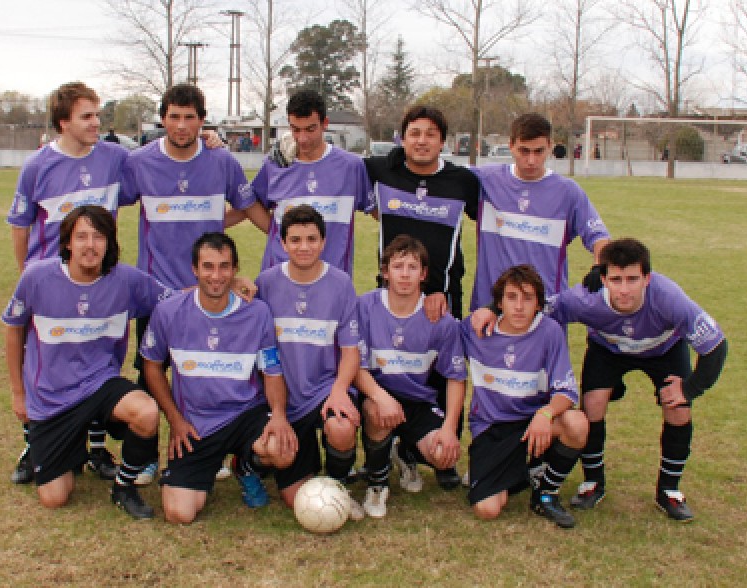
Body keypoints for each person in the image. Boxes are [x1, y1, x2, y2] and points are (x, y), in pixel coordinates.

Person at [121, 83, 268, 485]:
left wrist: (286, 241)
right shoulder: (139, 163)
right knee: (150, 372)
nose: (182, 125)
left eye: (190, 117)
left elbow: (247, 207)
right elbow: (109, 200)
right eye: (174, 117)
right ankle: (145, 456)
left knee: (209, 375)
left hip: (210, 290)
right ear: (163, 119)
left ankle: (213, 449)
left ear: (203, 121)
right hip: (156, 294)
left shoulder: (221, 161)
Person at [2, 205, 171, 519]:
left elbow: (178, 302)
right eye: (81, 237)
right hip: (52, 397)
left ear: (109, 242)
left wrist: (225, 288)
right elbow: (13, 330)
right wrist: (18, 392)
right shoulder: (37, 277)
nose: (90, 245)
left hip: (100, 384)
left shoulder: (126, 280)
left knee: (146, 412)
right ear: (67, 242)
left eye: (99, 236)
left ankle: (124, 487)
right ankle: (69, 451)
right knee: (54, 497)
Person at [546, 238, 728, 522]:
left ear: (647, 278)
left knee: (678, 408)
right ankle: (593, 482)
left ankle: (669, 490)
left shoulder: (669, 297)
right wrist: (492, 311)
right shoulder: (584, 298)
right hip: (607, 349)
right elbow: (540, 310)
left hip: (664, 349)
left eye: (632, 279)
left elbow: (716, 345)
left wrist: (689, 388)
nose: (624, 289)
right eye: (615, 280)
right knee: (592, 403)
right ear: (603, 278)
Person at [6, 81, 129, 485]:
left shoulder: (114, 158)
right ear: (64, 123)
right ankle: (35, 444)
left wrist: (210, 140)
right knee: (42, 361)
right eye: (87, 116)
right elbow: (21, 225)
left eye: (97, 115)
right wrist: (28, 274)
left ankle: (96, 446)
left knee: (101, 356)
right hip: (52, 285)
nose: (96, 123)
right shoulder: (37, 166)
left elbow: (159, 162)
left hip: (100, 281)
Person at [140, 232, 298, 524]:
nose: (216, 275)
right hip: (196, 424)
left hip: (245, 414)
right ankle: (206, 468)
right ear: (194, 269)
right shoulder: (168, 312)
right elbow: (152, 366)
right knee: (179, 513)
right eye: (208, 266)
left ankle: (245, 466)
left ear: (235, 269)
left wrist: (278, 415)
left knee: (282, 451)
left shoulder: (257, 312)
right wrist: (175, 419)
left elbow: (271, 370)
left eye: (224, 266)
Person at [363, 105, 480, 489]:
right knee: (388, 362)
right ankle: (384, 441)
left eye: (431, 134)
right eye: (414, 133)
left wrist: (438, 291)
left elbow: (496, 214)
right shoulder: (382, 171)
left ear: (443, 141)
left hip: (442, 293)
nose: (422, 141)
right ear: (402, 138)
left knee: (443, 369)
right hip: (394, 289)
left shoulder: (463, 181)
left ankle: (439, 450)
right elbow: (335, 166)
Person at [255, 205, 364, 519]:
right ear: (283, 243)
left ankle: (338, 485)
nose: (304, 247)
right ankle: (254, 463)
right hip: (284, 398)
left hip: (324, 390)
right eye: (296, 239)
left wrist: (339, 391)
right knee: (294, 498)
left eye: (312, 239)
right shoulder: (267, 283)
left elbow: (350, 351)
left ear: (323, 242)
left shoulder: (341, 284)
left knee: (341, 427)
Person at [461, 265, 587, 528]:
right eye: (511, 297)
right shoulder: (476, 328)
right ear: (499, 303)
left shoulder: (550, 331)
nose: (519, 307)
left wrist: (545, 413)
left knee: (576, 423)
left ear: (539, 304)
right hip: (491, 428)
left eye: (527, 298)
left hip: (533, 424)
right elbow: (441, 333)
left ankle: (546, 493)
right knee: (487, 509)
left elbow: (566, 391)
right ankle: (523, 471)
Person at [354, 236, 467, 518]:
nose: (405, 274)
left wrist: (449, 428)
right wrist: (380, 397)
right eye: (398, 266)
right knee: (378, 413)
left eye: (412, 267)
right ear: (385, 272)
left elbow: (456, 378)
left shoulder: (441, 320)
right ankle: (377, 484)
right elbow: (355, 365)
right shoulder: (365, 306)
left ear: (424, 274)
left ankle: (405, 452)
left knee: (443, 457)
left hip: (418, 402)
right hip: (379, 395)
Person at [470, 112, 610, 311]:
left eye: (539, 151)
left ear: (550, 146)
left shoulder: (567, 191)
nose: (531, 160)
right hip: (491, 308)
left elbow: (599, 236)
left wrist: (599, 266)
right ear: (511, 145)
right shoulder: (485, 180)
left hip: (546, 309)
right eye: (524, 151)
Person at [248, 89, 374, 275]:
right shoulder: (275, 164)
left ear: (325, 124)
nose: (302, 138)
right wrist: (279, 233)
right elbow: (249, 204)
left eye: (310, 129)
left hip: (332, 279)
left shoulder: (351, 166)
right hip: (280, 278)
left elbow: (379, 211)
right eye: (295, 129)